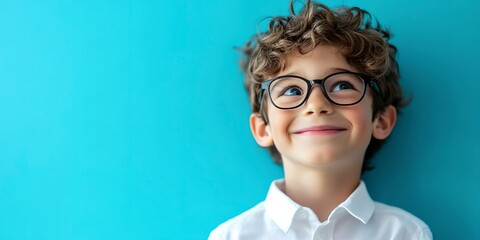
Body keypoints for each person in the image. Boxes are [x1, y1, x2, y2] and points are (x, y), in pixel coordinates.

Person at [209, 0, 432, 239]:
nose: (316, 105)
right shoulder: (231, 236)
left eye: (342, 85)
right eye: (291, 90)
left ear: (381, 120)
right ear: (263, 129)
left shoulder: (407, 234)